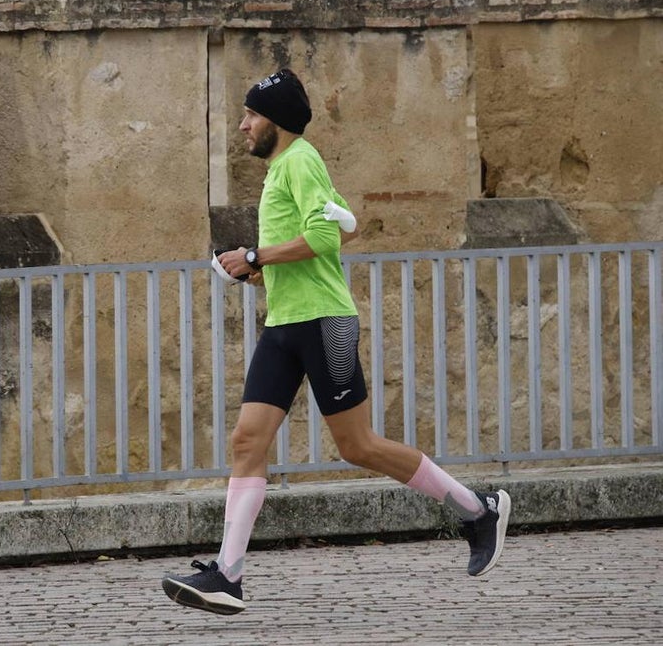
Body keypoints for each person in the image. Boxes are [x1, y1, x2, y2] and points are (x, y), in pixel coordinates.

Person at [161, 69, 511, 616]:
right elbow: (340, 228)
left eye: (251, 115)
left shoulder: (301, 160)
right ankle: (228, 575)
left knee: (358, 446)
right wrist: (256, 274)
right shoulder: (285, 167)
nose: (242, 125)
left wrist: (255, 256)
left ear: (274, 119)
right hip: (284, 324)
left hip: (326, 323)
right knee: (247, 442)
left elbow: (325, 237)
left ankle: (477, 510)